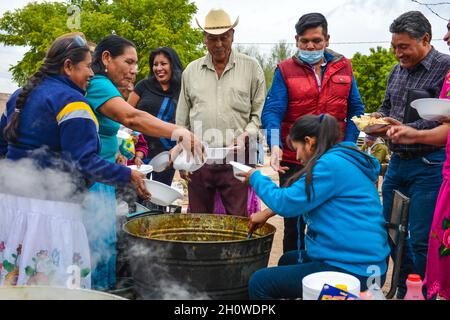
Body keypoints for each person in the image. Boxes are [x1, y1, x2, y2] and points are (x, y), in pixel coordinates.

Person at [0, 34, 148, 288]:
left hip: (11, 207)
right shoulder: (71, 102)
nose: (92, 73)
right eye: (88, 66)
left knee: (13, 283)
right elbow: (84, 162)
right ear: (68, 66)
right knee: (54, 285)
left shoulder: (19, 95)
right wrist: (128, 175)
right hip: (51, 212)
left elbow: (3, 146)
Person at [84, 35, 202, 290]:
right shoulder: (99, 84)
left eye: (137, 63)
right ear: (106, 58)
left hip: (103, 178)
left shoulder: (104, 85)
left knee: (103, 247)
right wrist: (178, 131)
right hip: (92, 182)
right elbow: (133, 118)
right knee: (95, 250)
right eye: (129, 61)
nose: (135, 69)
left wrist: (115, 151)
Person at [239, 115, 389, 299]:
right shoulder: (340, 158)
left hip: (357, 271)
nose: (297, 156)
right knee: (288, 259)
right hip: (365, 263)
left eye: (297, 149)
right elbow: (302, 197)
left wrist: (255, 176)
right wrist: (267, 213)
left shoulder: (329, 166)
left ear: (309, 142)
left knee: (260, 282)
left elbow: (286, 203)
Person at [261, 12, 365, 253]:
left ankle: (323, 272)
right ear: (296, 40)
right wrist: (275, 145)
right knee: (293, 222)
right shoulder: (285, 70)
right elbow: (272, 112)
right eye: (305, 41)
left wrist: (348, 146)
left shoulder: (344, 66)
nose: (310, 46)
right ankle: (290, 272)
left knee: (329, 219)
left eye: (316, 41)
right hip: (293, 158)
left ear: (327, 39)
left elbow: (356, 111)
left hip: (333, 159)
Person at [370, 11, 450, 299]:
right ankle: (404, 287)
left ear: (425, 40)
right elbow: (388, 108)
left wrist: (406, 129)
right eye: (394, 46)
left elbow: (443, 121)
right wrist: (374, 121)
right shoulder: (396, 70)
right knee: (391, 230)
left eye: (403, 47)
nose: (397, 53)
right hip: (397, 164)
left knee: (420, 238)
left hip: (429, 165)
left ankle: (427, 291)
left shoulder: (445, 68)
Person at [176, 8, 266, 217]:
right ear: (204, 39)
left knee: (237, 219)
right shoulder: (191, 71)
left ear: (232, 35)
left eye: (224, 38)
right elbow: (182, 120)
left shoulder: (251, 68)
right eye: (212, 38)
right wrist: (182, 154)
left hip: (237, 157)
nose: (218, 44)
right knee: (199, 220)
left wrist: (248, 134)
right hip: (199, 159)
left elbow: (257, 113)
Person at [128, 47, 183, 186]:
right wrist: (130, 134)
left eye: (163, 63)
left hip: (166, 157)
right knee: (137, 195)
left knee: (160, 198)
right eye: (155, 64)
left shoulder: (182, 89)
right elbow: (126, 114)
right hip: (140, 154)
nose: (158, 68)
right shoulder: (143, 86)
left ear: (173, 65)